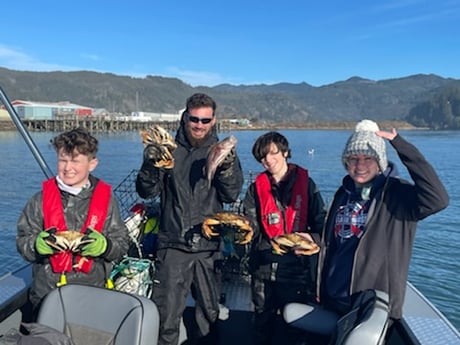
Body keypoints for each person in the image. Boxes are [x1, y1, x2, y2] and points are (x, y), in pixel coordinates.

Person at [283, 120, 449, 343]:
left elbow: (437, 199)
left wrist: (402, 146)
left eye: (368, 158)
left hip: (370, 307)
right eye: (353, 158)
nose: (360, 165)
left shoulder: (399, 195)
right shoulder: (343, 194)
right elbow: (339, 240)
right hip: (333, 300)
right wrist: (314, 240)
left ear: (380, 161)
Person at [136, 93, 244, 345]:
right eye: (194, 119)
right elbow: (146, 191)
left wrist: (226, 168)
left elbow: (231, 194)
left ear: (213, 120)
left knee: (209, 316)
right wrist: (151, 165)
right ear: (185, 117)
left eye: (205, 120)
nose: (199, 125)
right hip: (172, 245)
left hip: (209, 247)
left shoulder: (221, 150)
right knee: (166, 318)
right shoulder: (169, 150)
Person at [16, 128, 129, 320]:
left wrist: (106, 245)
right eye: (63, 160)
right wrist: (36, 244)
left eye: (75, 161)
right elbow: (22, 241)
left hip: (92, 292)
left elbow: (122, 244)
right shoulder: (39, 200)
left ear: (92, 164)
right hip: (47, 293)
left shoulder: (107, 201)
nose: (68, 168)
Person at [242, 131, 327, 345]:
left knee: (296, 331)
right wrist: (241, 231)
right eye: (263, 157)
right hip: (264, 271)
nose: (268, 161)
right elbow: (249, 226)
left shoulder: (307, 186)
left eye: (273, 154)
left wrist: (313, 239)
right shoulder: (255, 189)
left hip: (298, 272)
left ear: (285, 152)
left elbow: (322, 225)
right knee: (262, 325)